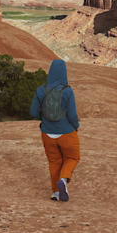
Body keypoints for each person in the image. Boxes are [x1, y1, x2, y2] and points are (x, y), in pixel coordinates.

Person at [30, 59, 80, 202]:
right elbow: (72, 115)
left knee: (54, 162)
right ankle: (63, 180)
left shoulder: (40, 90)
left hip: (47, 133)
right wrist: (75, 126)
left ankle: (56, 193)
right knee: (72, 158)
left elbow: (33, 112)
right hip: (66, 133)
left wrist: (45, 120)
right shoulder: (67, 91)